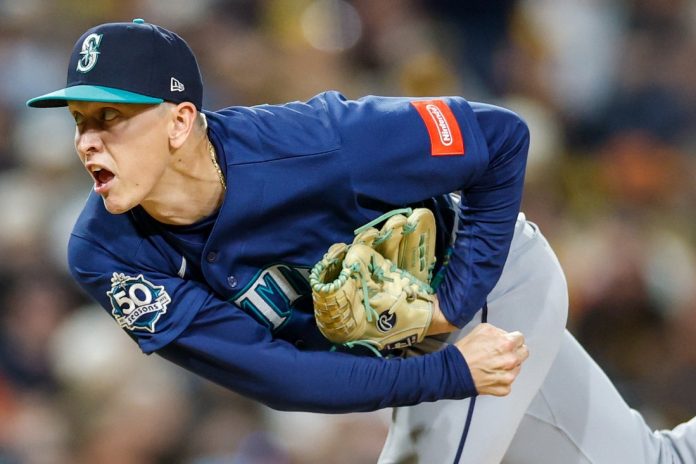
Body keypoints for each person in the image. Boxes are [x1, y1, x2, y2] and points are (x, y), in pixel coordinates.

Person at [26, 19, 696, 463]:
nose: (87, 140)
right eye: (80, 119)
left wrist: (452, 308)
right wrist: (440, 373)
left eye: (111, 117)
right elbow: (278, 374)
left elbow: (500, 138)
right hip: (421, 350)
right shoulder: (107, 252)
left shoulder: (320, 143)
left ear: (179, 123)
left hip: (485, 287)